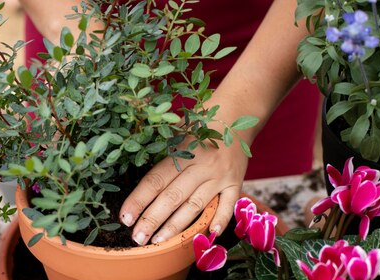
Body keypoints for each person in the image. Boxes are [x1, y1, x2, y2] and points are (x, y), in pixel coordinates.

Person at [19, 0, 321, 245]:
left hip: (262, 59)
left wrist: (238, 112)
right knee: (48, 193)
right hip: (82, 55)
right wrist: (81, 45)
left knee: (245, 231)